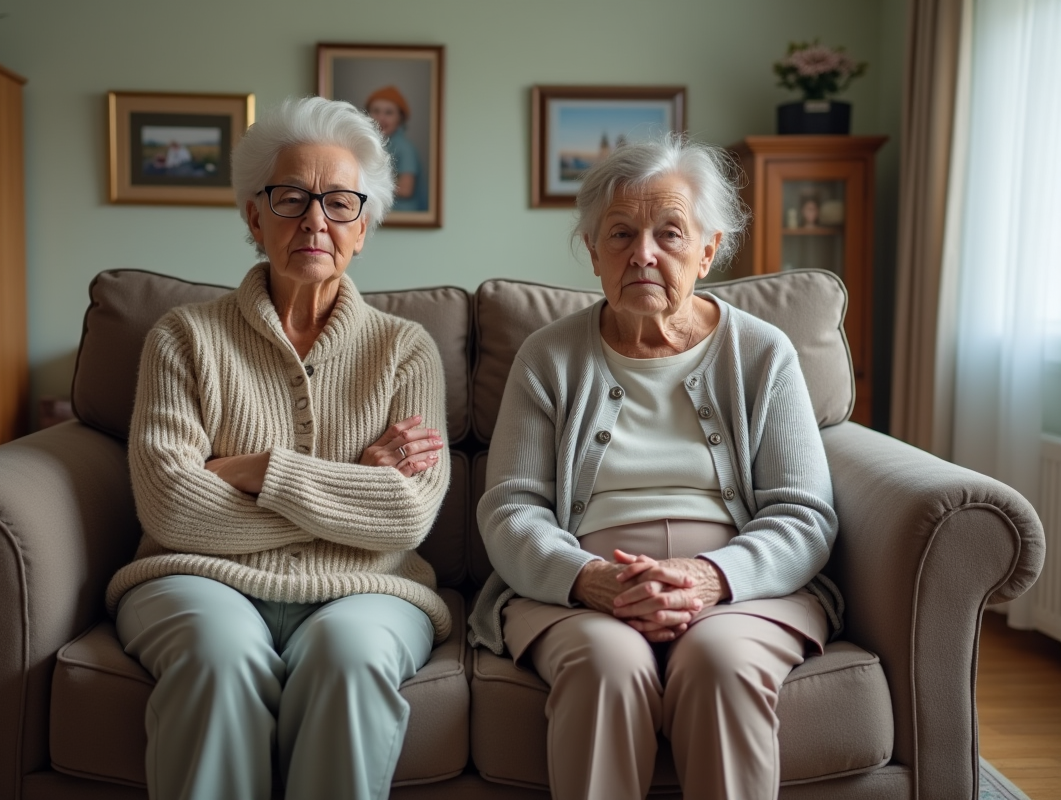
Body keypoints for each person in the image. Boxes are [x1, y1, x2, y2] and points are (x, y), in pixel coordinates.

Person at [469, 134, 842, 800]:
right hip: (581, 594)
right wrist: (590, 579)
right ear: (592, 251)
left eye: (669, 233)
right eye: (620, 234)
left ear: (707, 249)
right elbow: (510, 507)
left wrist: (711, 577)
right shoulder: (547, 356)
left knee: (723, 664)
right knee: (605, 667)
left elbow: (804, 511)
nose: (643, 253)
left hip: (740, 593)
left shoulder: (762, 353)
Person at [107, 96, 451, 800]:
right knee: (216, 653)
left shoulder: (405, 349)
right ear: (254, 216)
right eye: (291, 197)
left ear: (365, 228)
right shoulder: (183, 337)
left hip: (370, 588)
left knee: (349, 656)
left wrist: (255, 470)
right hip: (198, 578)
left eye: (340, 203)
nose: (315, 220)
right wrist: (349, 484)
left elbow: (405, 516)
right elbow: (172, 505)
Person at [365, 85, 427, 212]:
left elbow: (406, 189)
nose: (381, 118)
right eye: (376, 111)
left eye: (389, 113)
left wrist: (368, 184)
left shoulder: (404, 148)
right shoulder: (375, 144)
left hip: (403, 218)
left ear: (400, 118)